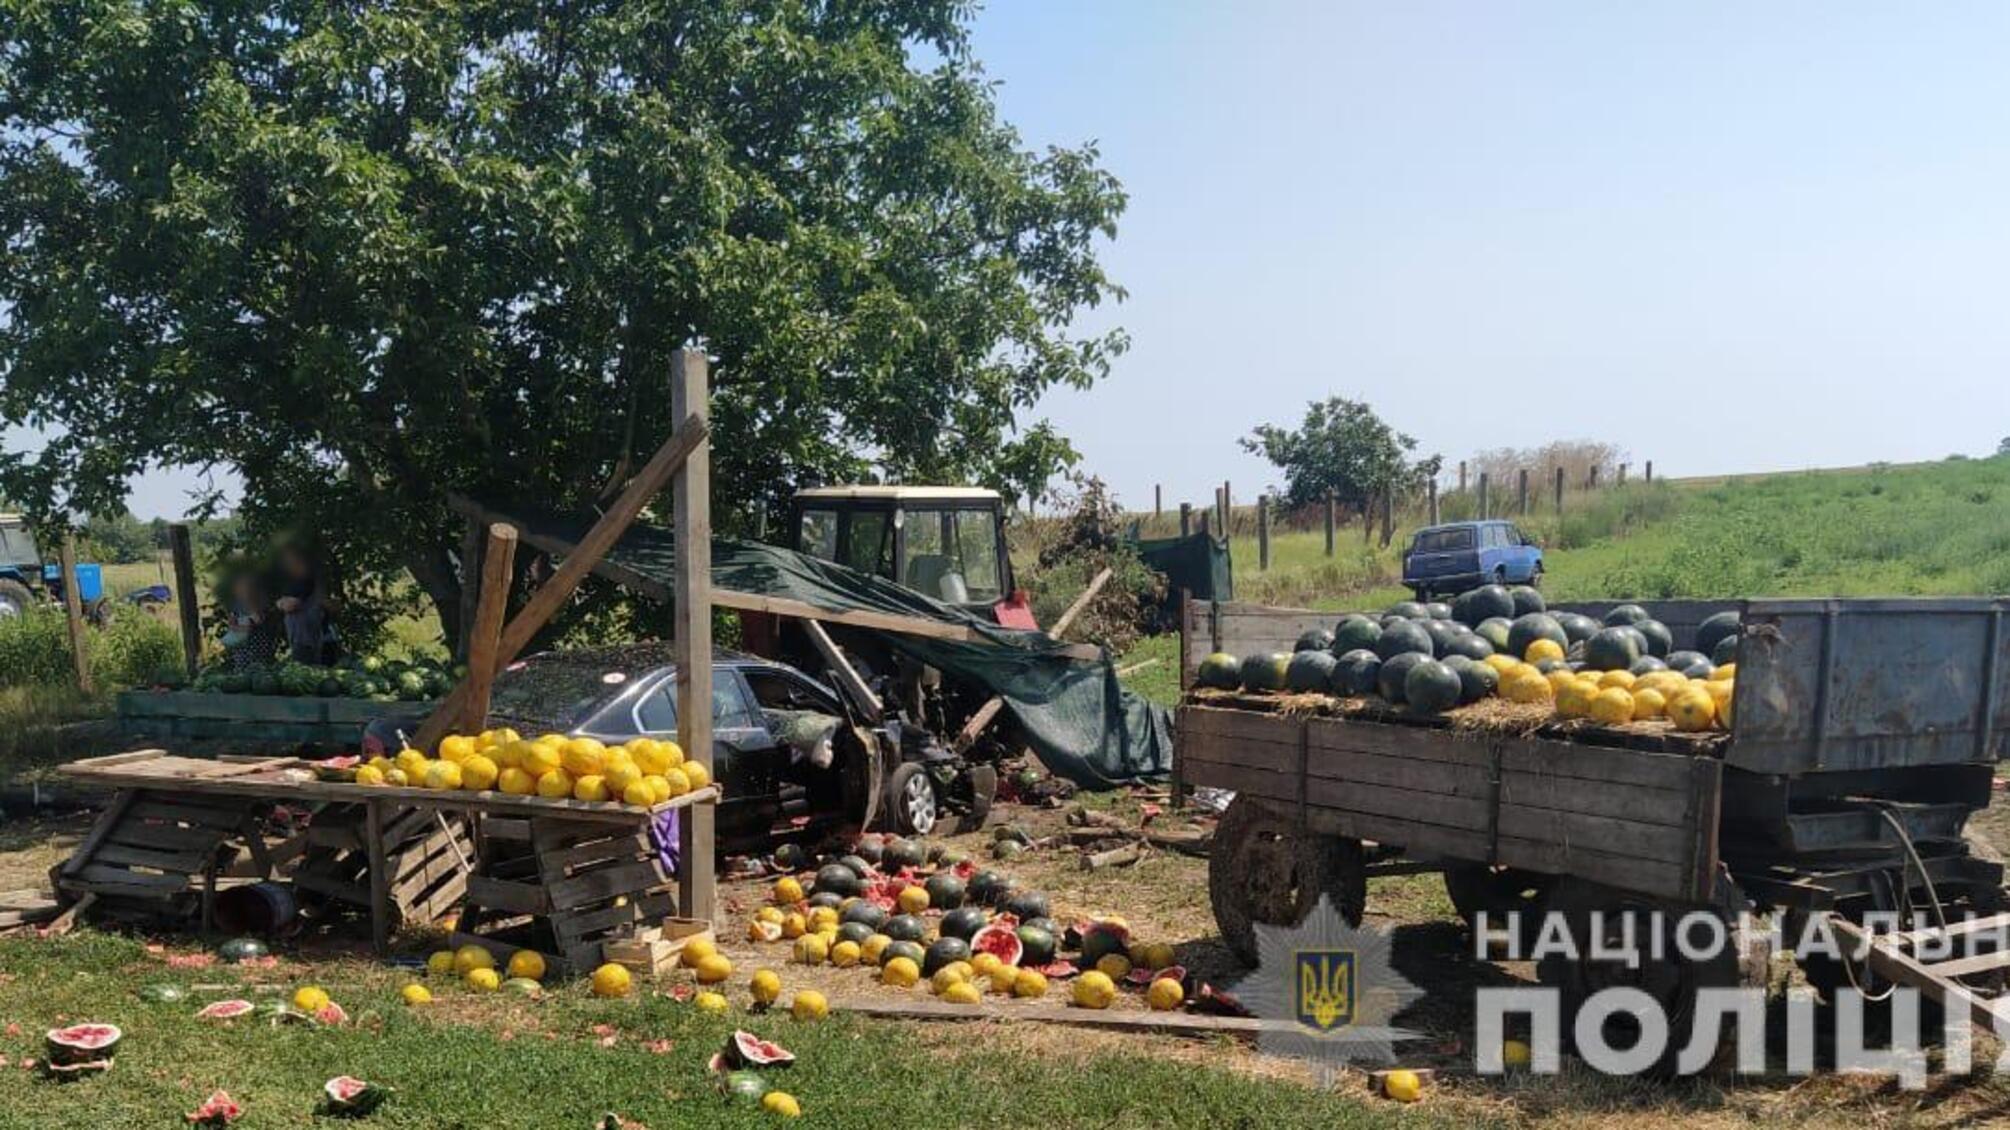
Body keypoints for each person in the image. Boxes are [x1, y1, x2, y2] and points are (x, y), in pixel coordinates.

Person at [273, 542, 335, 665]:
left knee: (308, 671)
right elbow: (282, 603)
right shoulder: (295, 581)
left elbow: (290, 605)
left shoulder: (305, 580)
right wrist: (281, 602)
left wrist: (280, 602)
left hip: (307, 641)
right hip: (300, 639)